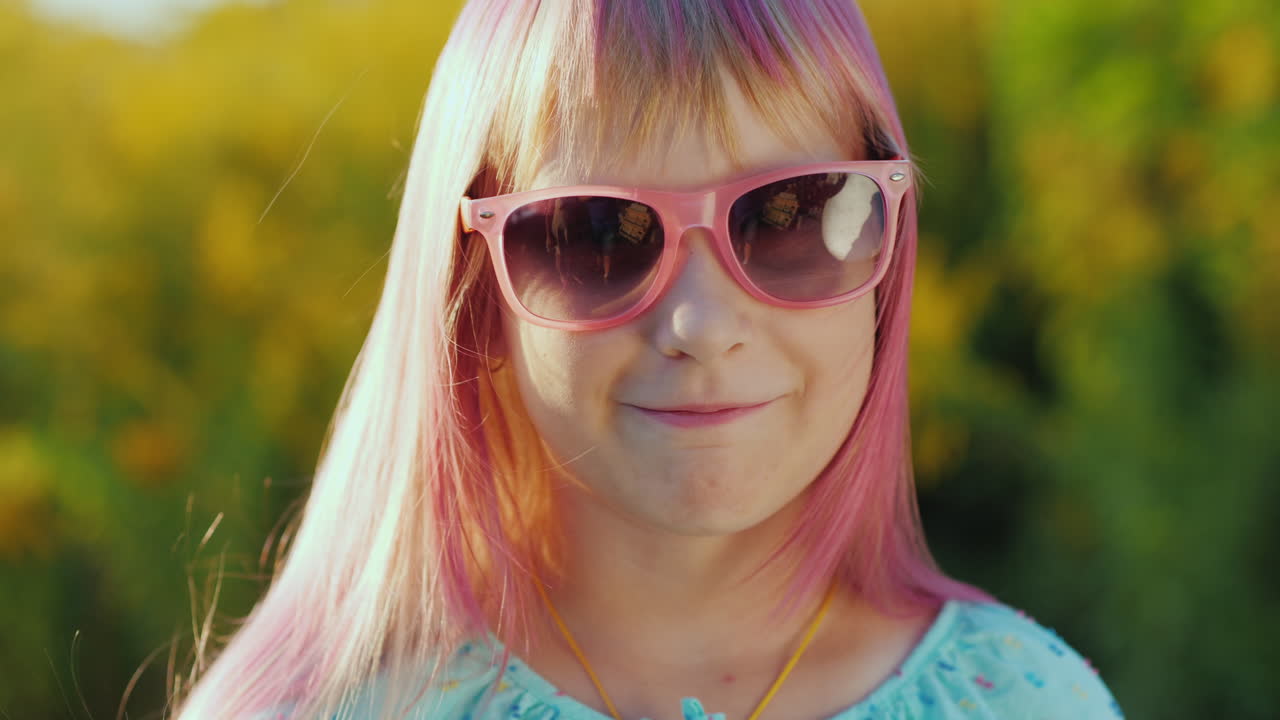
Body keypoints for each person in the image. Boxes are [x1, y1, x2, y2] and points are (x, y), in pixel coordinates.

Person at [172, 1, 1124, 719]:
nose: (703, 323)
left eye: (791, 216)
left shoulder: (1026, 701)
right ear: (470, 291)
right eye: (595, 235)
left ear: (888, 252)